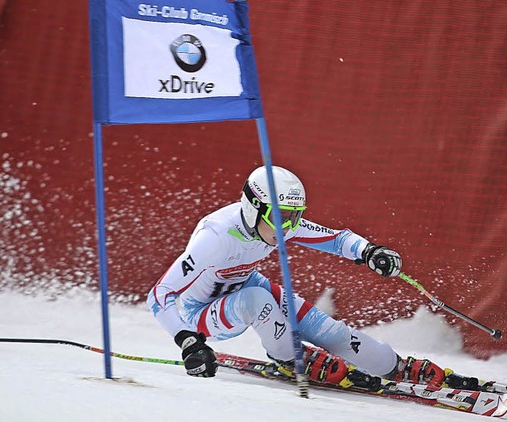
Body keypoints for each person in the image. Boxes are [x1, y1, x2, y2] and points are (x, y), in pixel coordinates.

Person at [147, 165, 451, 388]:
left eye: (295, 216)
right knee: (257, 298)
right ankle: (291, 358)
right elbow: (160, 295)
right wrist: (189, 342)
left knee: (331, 332)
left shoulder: (279, 221)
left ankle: (393, 365)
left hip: (248, 287)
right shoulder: (215, 238)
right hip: (202, 315)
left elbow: (336, 238)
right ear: (253, 209)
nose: (288, 228)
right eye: (280, 217)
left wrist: (369, 251)